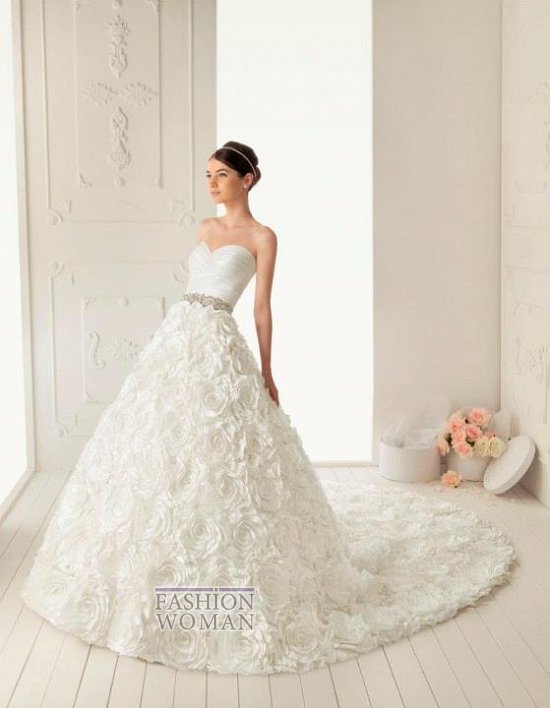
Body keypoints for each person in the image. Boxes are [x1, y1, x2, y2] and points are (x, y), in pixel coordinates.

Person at [20, 140, 517, 675]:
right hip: (177, 340)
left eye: (221, 175)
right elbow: (193, 289)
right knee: (161, 445)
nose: (212, 184)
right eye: (207, 174)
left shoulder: (262, 237)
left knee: (227, 449)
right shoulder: (203, 229)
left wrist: (267, 370)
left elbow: (261, 307)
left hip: (219, 342)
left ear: (248, 179)